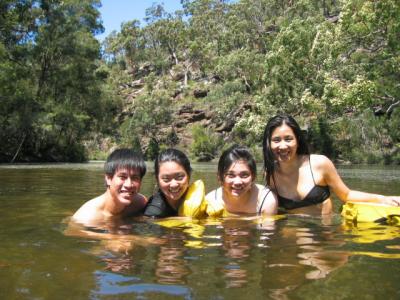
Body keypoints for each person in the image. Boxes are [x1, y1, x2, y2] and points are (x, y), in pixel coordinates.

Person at [262, 114, 400, 215]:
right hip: (295, 233)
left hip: (325, 233)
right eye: (276, 140)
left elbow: (346, 195)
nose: (282, 146)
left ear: (297, 140)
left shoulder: (319, 164)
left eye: (288, 139)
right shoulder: (270, 174)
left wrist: (383, 199)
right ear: (269, 143)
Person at [72, 148, 148, 225]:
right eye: (122, 177)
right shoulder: (87, 216)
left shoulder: (140, 203)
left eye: (135, 178)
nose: (129, 184)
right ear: (108, 179)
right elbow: (72, 232)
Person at [205, 145, 278, 217]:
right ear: (219, 178)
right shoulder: (210, 201)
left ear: (253, 177)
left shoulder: (266, 200)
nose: (237, 182)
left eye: (244, 175)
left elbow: (268, 227)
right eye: (231, 175)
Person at [144, 148, 193, 218]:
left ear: (189, 175)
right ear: (157, 180)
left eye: (179, 177)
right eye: (166, 179)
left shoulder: (196, 195)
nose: (174, 184)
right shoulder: (155, 211)